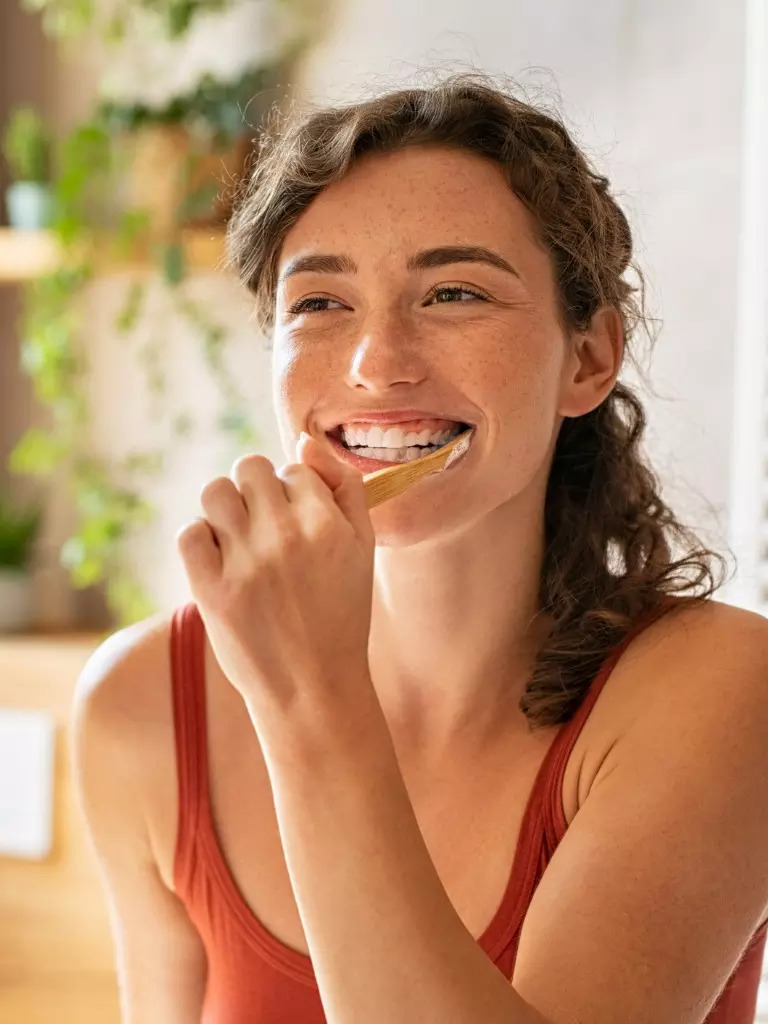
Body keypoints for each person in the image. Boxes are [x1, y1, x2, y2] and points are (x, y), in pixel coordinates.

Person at [72, 70, 768, 1024]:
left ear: (590, 359)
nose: (377, 363)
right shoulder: (142, 704)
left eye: (453, 292)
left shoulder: (723, 689)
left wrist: (310, 696)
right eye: (319, 304)